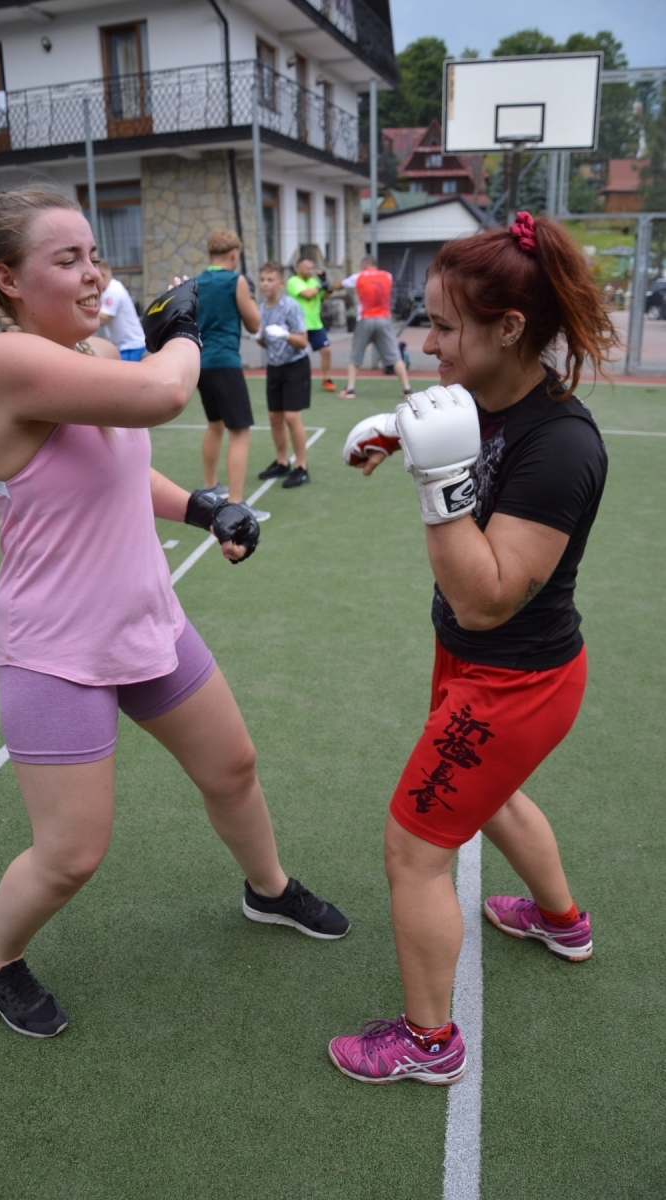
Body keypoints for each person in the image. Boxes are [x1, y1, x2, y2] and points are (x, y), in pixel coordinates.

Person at [0, 189, 350, 1039]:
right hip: (55, 648)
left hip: (147, 617)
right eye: (67, 259)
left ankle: (269, 889)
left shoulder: (96, 351)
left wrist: (205, 507)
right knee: (72, 854)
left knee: (233, 767)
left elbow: (119, 470)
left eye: (93, 255)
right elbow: (163, 395)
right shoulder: (2, 363)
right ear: (9, 279)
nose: (93, 272)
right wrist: (187, 332)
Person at [332, 211, 617, 1084]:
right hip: (478, 668)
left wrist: (437, 479)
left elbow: (486, 599)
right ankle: (562, 921)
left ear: (509, 328)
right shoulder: (488, 401)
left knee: (413, 851)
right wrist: (402, 428)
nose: (426, 344)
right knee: (492, 800)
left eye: (445, 327)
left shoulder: (561, 447)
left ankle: (429, 1044)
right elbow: (466, 438)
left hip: (511, 680)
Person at [195, 229, 268, 518]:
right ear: (234, 254)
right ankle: (236, 503)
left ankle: (210, 487)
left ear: (210, 254)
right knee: (240, 431)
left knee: (215, 424)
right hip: (225, 362)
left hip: (201, 363)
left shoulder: (196, 281)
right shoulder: (235, 281)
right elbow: (254, 324)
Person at [256, 261, 311, 489]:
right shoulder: (260, 309)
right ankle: (282, 462)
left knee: (291, 417)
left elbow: (303, 341)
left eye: (270, 280)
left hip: (295, 365)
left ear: (280, 283)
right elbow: (264, 343)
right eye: (262, 279)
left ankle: (301, 467)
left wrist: (285, 335)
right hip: (274, 367)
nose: (265, 284)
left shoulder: (291, 307)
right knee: (274, 417)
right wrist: (258, 337)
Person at [339, 255, 411, 399]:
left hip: (365, 319)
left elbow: (340, 285)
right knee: (395, 356)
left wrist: (328, 287)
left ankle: (350, 389)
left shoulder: (358, 277)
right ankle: (407, 389)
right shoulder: (387, 276)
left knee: (355, 356)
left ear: (364, 264)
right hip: (384, 319)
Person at [286, 256, 335, 392]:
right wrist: (321, 286)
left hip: (315, 325)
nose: (310, 271)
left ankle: (326, 379)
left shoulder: (314, 281)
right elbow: (307, 294)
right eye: (307, 268)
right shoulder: (293, 281)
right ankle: (291, 380)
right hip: (298, 326)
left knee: (326, 351)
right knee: (295, 356)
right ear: (298, 268)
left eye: (311, 268)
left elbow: (326, 296)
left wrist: (326, 284)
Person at [97, 260, 146, 361]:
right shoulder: (107, 290)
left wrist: (80, 312)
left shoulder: (113, 291)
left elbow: (103, 318)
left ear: (103, 275)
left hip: (131, 345)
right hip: (125, 345)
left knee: (125, 372)